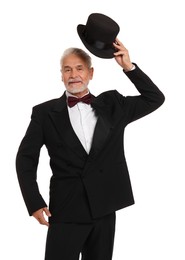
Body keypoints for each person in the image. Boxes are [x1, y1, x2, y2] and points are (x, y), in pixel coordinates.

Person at [16, 38, 165, 260]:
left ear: (91, 73)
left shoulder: (114, 105)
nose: (73, 74)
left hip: (104, 208)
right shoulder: (44, 113)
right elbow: (25, 159)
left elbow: (155, 98)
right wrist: (34, 202)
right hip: (65, 209)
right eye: (67, 69)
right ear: (61, 75)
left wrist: (129, 68)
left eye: (79, 68)